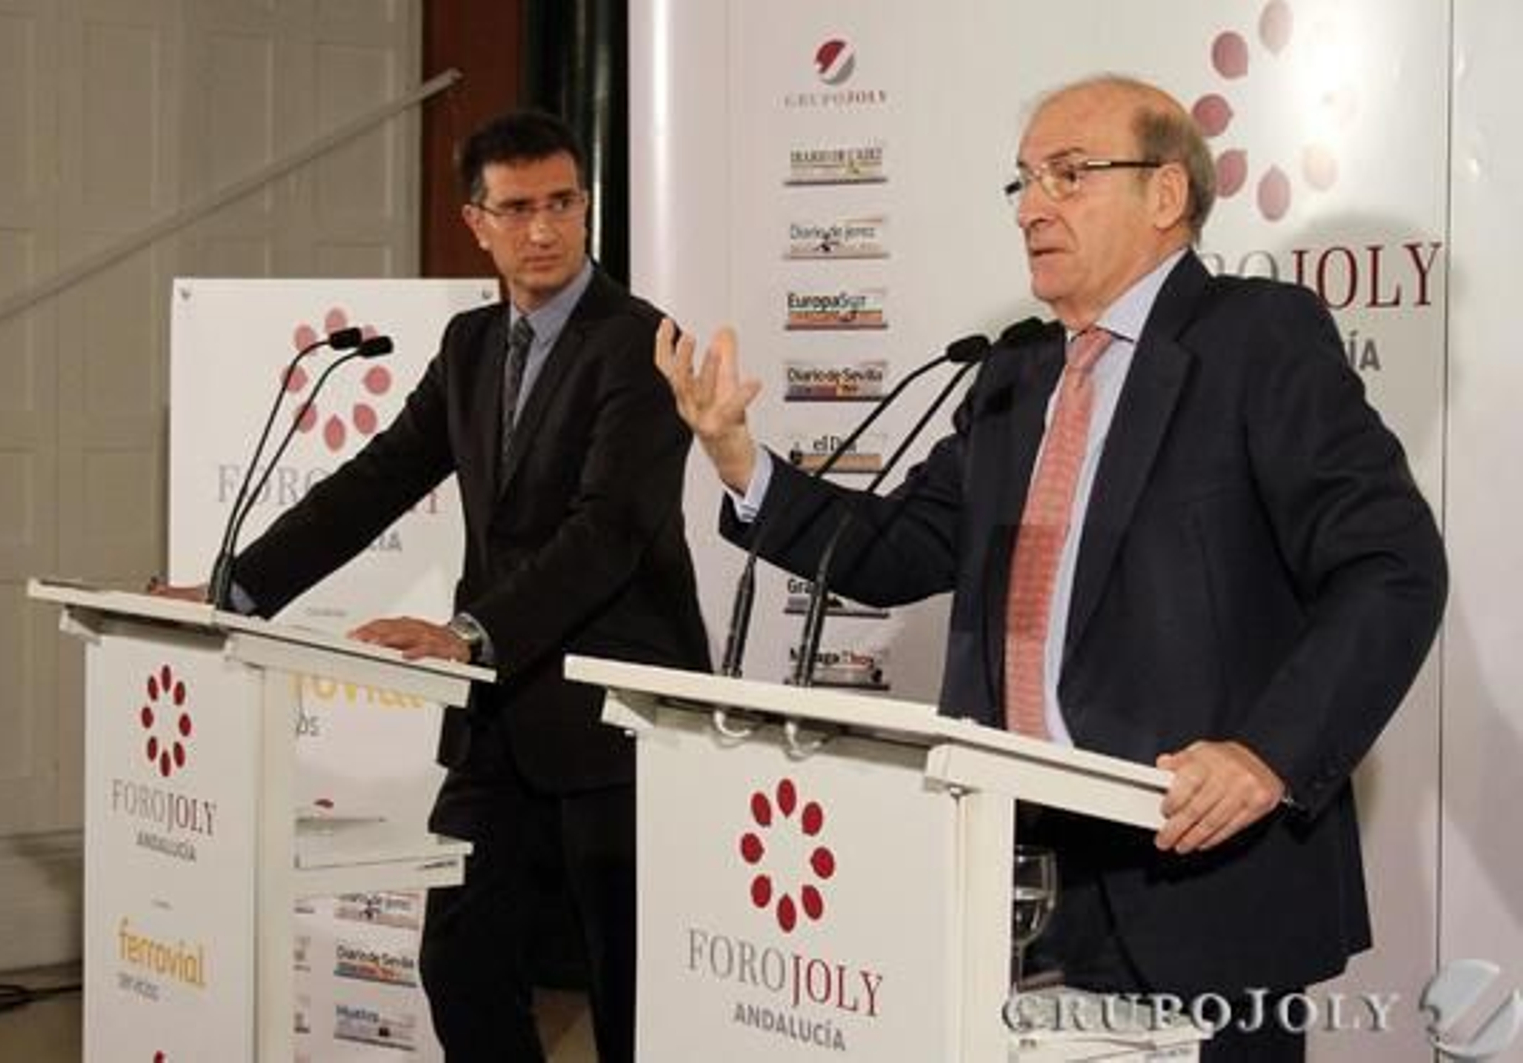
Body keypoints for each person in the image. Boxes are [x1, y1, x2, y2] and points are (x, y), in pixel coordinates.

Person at [655, 75, 1445, 1061]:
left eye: (1068, 175)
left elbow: (1392, 565)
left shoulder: (1255, 338)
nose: (1031, 206)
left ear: (1164, 195)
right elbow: (899, 549)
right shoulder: (1012, 375)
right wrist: (739, 460)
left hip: (1195, 870)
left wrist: (1268, 753)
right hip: (1017, 870)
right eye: (1023, 180)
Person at [159, 110, 709, 1062]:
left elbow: (608, 531)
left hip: (614, 717)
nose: (544, 229)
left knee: (632, 996)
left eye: (563, 204)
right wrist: (232, 592)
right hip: (499, 718)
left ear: (587, 207)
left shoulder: (641, 341)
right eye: (518, 208)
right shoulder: (468, 345)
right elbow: (373, 482)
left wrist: (469, 631)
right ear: (475, 221)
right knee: (459, 958)